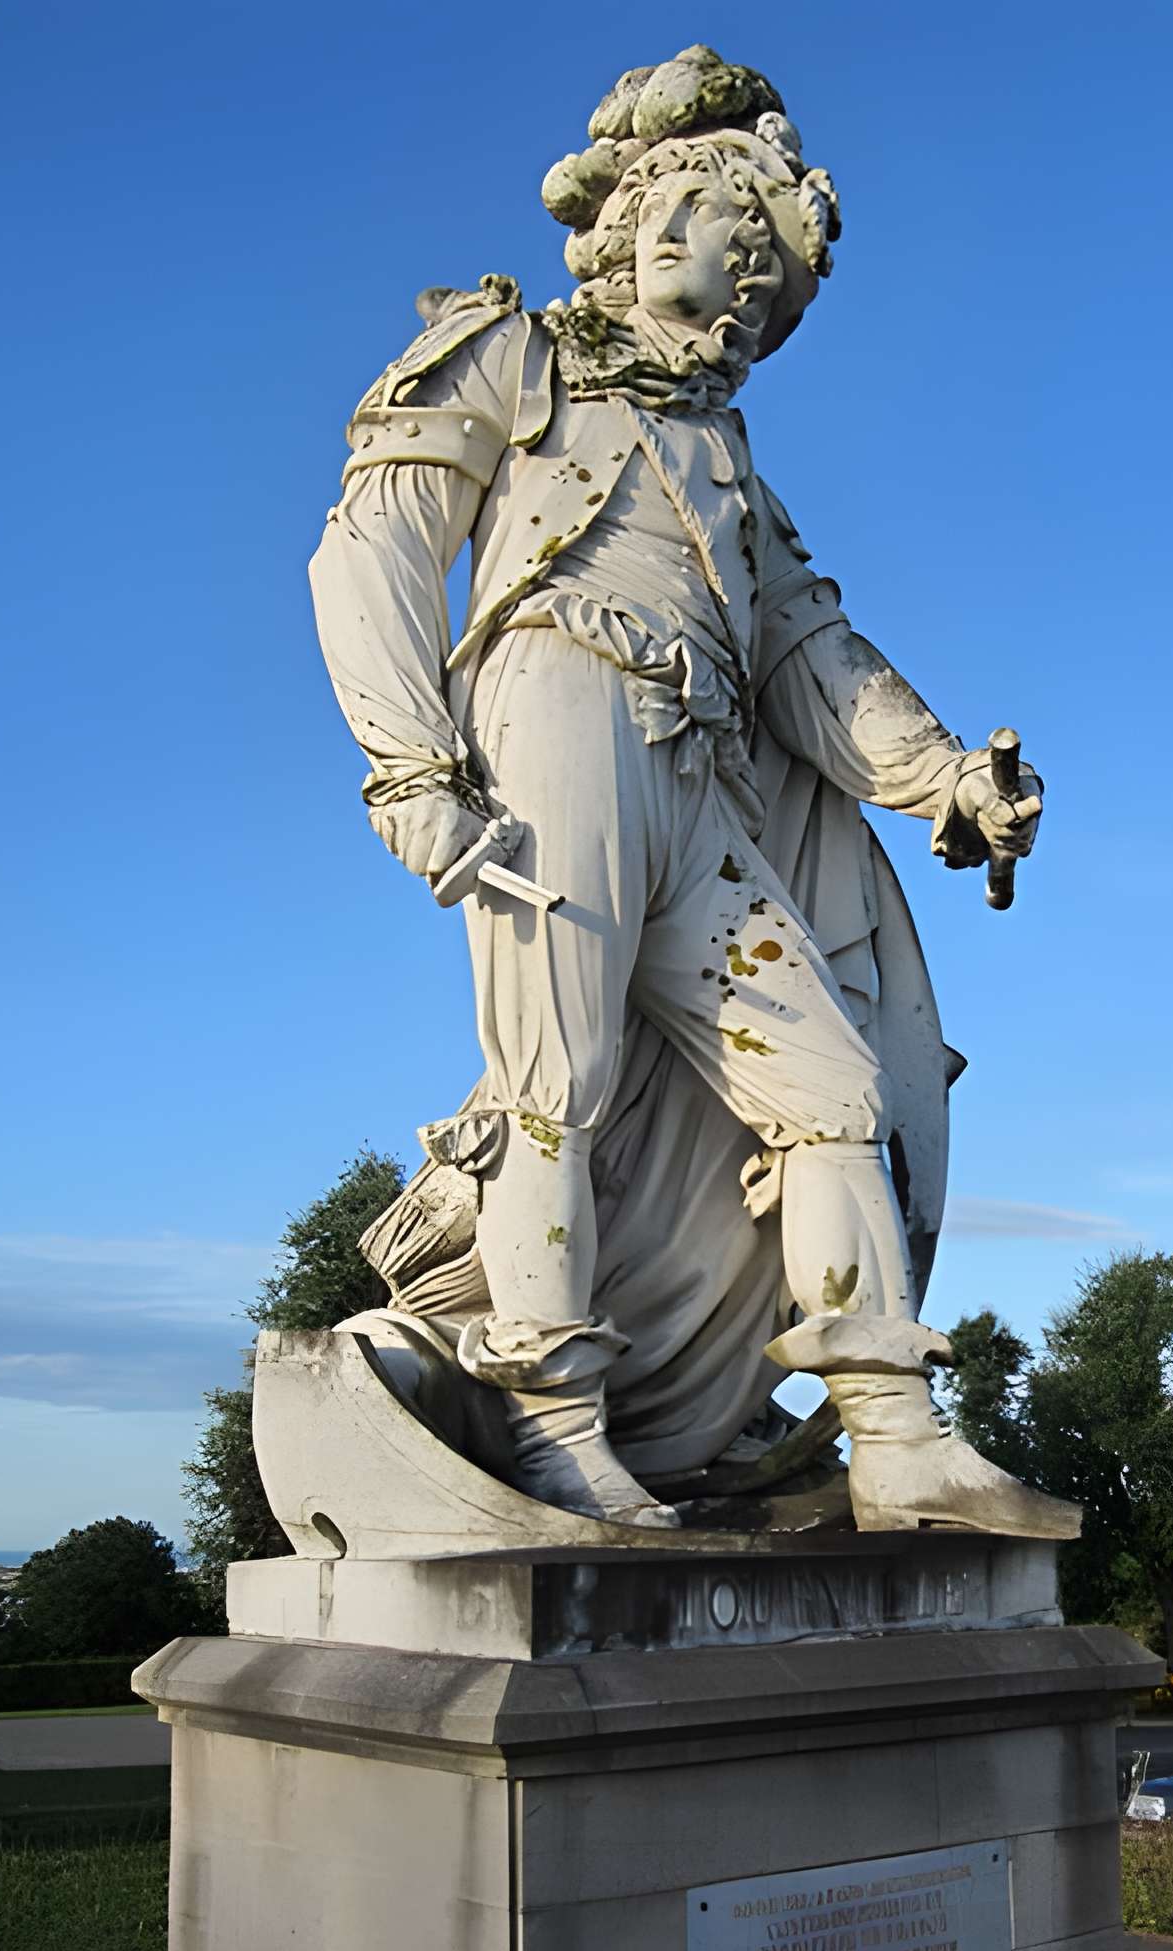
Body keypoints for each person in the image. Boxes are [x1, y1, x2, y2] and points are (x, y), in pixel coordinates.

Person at [309, 46, 1071, 1540]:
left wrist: (946, 785)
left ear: (761, 283)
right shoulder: (509, 354)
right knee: (559, 1083)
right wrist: (410, 765)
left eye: (716, 208)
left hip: (697, 767)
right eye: (659, 196)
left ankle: (892, 1426)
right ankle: (554, 1420)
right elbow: (372, 547)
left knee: (836, 1086)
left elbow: (812, 655)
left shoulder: (727, 459)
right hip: (555, 718)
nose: (676, 224)